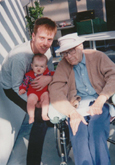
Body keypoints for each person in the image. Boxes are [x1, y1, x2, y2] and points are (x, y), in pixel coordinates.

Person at [49, 33, 115, 165]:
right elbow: (55, 88)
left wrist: (101, 99)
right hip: (77, 106)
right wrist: (71, 112)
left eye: (71, 51)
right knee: (78, 134)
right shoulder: (63, 65)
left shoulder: (97, 56)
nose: (68, 56)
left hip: (100, 101)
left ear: (80, 46)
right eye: (64, 53)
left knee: (96, 131)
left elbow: (113, 75)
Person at [1, 17, 57, 165]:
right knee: (39, 116)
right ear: (33, 36)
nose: (46, 43)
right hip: (14, 88)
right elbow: (15, 86)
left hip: (34, 79)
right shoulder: (20, 57)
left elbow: (51, 72)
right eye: (42, 38)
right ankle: (33, 162)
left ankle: (51, 118)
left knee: (54, 100)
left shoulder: (46, 49)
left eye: (49, 39)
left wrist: (49, 79)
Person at [19, 54, 54, 124]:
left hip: (44, 92)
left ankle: (44, 114)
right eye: (36, 66)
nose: (39, 68)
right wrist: (22, 88)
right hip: (33, 92)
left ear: (45, 67)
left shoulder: (47, 73)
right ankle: (31, 116)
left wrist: (52, 77)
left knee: (46, 100)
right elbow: (24, 82)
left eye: (42, 66)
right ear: (32, 66)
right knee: (30, 102)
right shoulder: (29, 75)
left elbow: (55, 74)